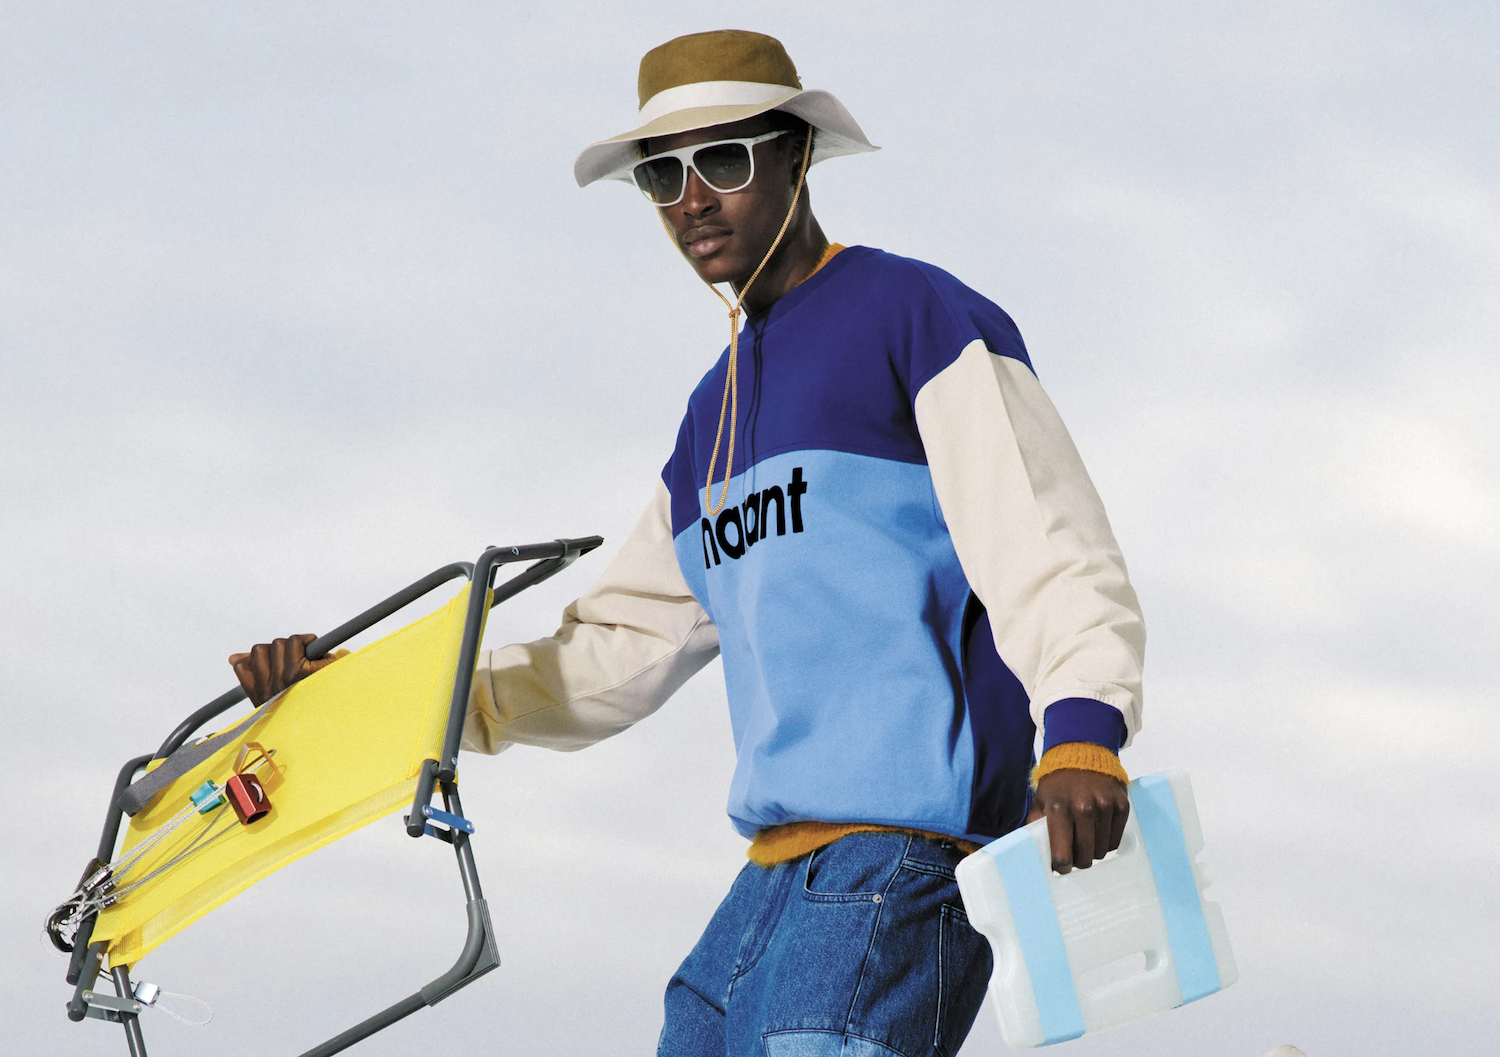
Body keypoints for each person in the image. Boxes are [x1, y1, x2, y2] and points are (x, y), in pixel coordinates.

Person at [231, 30, 1147, 1057]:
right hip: (764, 882)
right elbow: (607, 656)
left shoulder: (913, 314)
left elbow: (1048, 539)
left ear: (796, 158)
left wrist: (1083, 730)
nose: (691, 200)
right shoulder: (710, 412)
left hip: (903, 856)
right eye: (661, 177)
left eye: (723, 161)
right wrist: (377, 693)